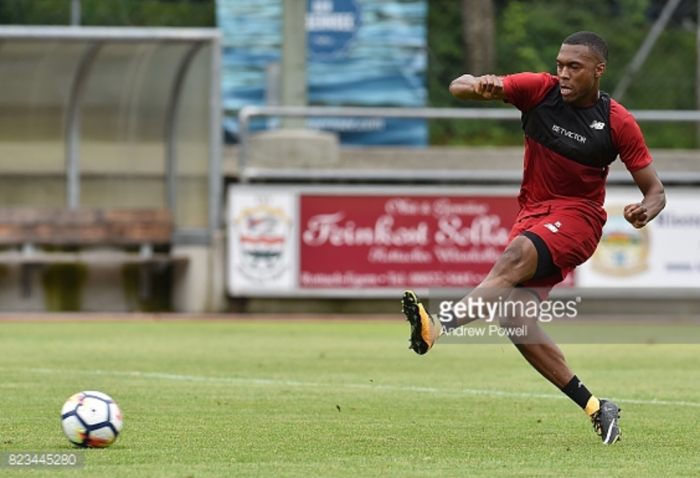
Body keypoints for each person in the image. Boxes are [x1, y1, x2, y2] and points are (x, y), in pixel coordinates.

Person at [401, 31, 665, 445]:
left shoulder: (617, 122)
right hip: (532, 215)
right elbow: (458, 86)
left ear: (599, 71)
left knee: (513, 259)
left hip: (578, 220)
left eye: (573, 67)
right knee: (516, 320)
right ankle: (597, 407)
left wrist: (644, 210)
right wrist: (480, 85)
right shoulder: (539, 90)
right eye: (560, 64)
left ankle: (436, 326)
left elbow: (655, 191)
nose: (562, 73)